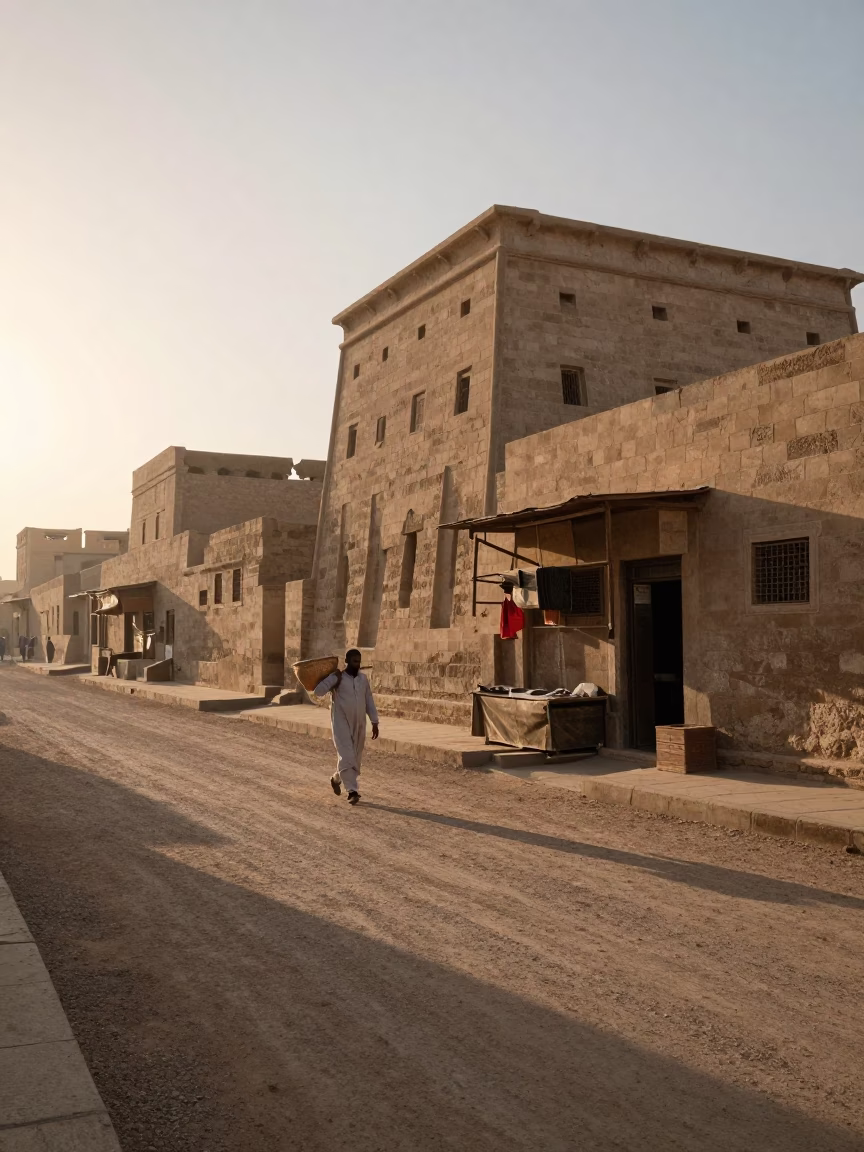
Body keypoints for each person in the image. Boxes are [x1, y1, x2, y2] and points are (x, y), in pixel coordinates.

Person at [313, 649, 379, 805]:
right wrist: (332, 678)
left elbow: (369, 700)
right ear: (347, 662)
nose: (357, 664)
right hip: (341, 723)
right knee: (347, 755)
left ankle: (336, 778)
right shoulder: (338, 678)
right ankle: (352, 791)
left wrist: (375, 721)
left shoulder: (363, 679)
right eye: (355, 661)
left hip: (359, 723)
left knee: (354, 757)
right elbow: (318, 691)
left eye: (359, 661)